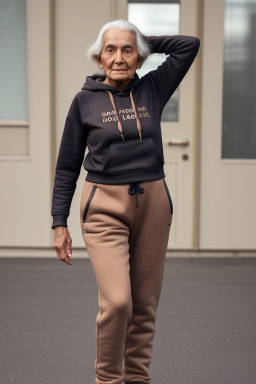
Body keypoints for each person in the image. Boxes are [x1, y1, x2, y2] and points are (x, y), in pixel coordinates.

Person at [52, 19, 200, 384]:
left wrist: (138, 38)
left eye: (127, 50)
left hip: (153, 205)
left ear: (139, 57)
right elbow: (67, 164)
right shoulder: (84, 101)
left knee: (145, 304)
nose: (118, 58)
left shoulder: (153, 88)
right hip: (104, 207)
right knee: (118, 301)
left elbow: (189, 45)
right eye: (110, 50)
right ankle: (107, 379)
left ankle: (137, 378)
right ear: (99, 59)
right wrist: (59, 222)